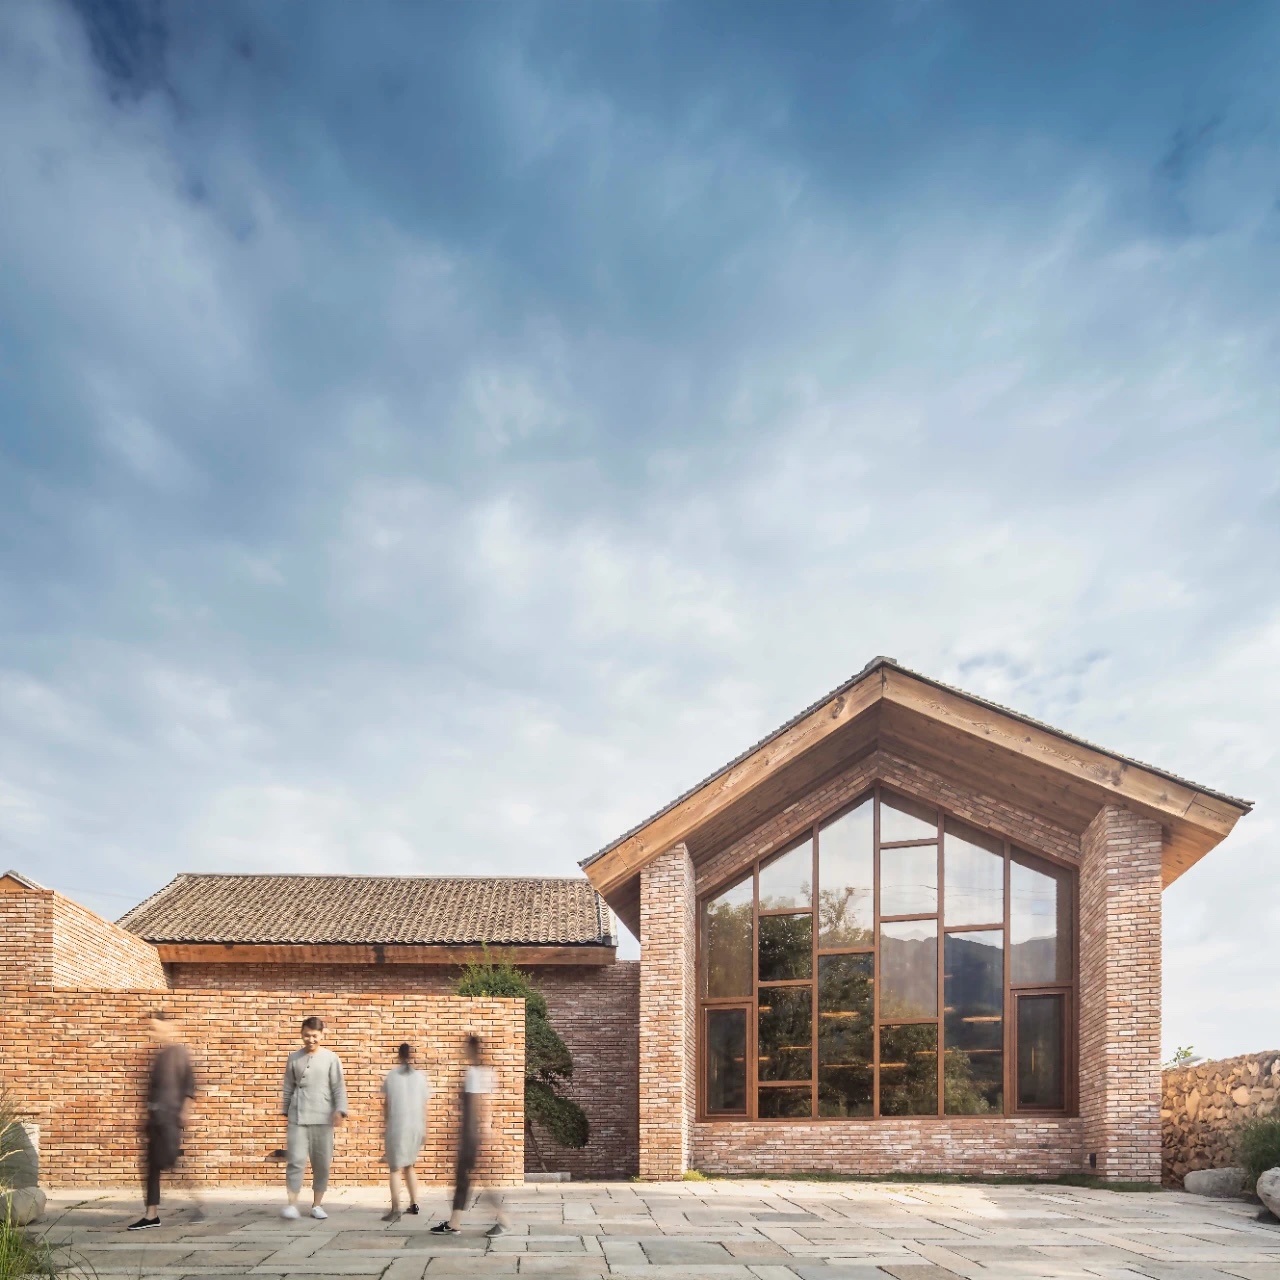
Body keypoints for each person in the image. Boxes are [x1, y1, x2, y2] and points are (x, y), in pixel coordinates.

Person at [430, 1034, 510, 1237]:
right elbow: (489, 1103)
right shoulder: (487, 1072)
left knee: (476, 1178)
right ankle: (454, 1222)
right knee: (465, 1178)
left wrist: (477, 1132)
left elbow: (480, 1103)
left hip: (471, 1134)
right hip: (474, 1133)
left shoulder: (474, 1073)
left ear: (471, 1050)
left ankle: (502, 1220)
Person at [128, 1009, 198, 1231]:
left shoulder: (179, 1053)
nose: (151, 1033)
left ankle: (196, 1204)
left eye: (154, 1028)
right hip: (155, 1119)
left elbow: (189, 1085)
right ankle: (151, 1215)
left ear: (166, 1026)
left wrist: (184, 1111)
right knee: (152, 1166)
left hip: (170, 1119)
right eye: (149, 1029)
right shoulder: (156, 1056)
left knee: (169, 1162)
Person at [281, 1016, 349, 1220]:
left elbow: (338, 1087)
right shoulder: (294, 1058)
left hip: (323, 1117)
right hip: (298, 1117)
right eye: (306, 1035)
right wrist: (286, 1110)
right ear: (301, 1035)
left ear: (322, 1035)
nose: (310, 1039)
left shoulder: (331, 1058)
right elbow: (288, 1086)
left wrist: (340, 1110)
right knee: (295, 1161)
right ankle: (292, 1205)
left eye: (314, 1036)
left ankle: (317, 1205)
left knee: (321, 1163)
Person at [381, 1042, 432, 1221]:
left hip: (397, 1126)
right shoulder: (420, 1077)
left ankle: (395, 1209)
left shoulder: (391, 1076)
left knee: (395, 1168)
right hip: (416, 1127)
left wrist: (385, 1126)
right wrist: (424, 1129)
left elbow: (386, 1105)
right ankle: (414, 1203)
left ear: (398, 1056)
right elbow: (424, 1106)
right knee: (409, 1165)